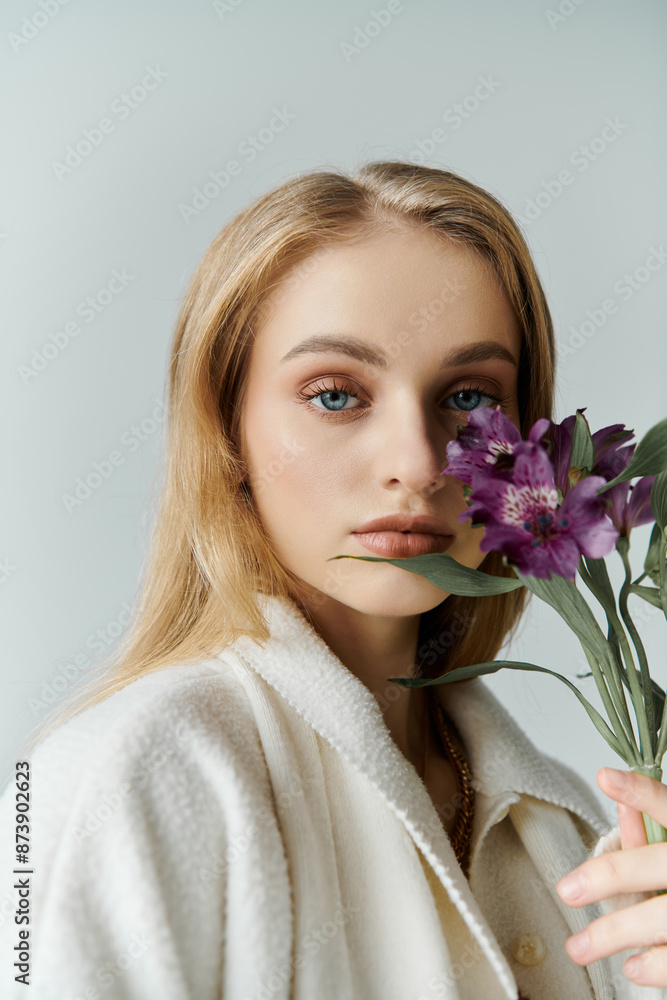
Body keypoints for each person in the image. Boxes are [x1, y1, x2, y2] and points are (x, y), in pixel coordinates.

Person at [0, 160, 665, 999]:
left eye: (467, 396)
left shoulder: (572, 824)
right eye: (334, 396)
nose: (418, 464)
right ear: (225, 431)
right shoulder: (125, 771)